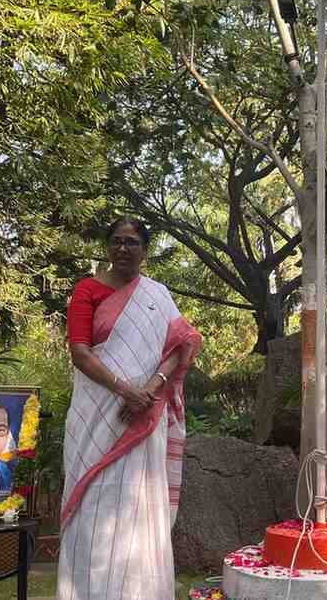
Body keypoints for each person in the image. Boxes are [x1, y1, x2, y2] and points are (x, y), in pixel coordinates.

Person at [57, 217, 201, 600]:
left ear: (144, 250)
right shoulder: (87, 290)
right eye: (117, 241)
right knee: (93, 500)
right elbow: (79, 352)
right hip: (96, 415)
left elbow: (180, 346)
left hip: (144, 415)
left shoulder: (157, 295)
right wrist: (124, 390)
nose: (123, 248)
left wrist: (148, 390)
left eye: (132, 242)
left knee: (139, 502)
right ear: (107, 247)